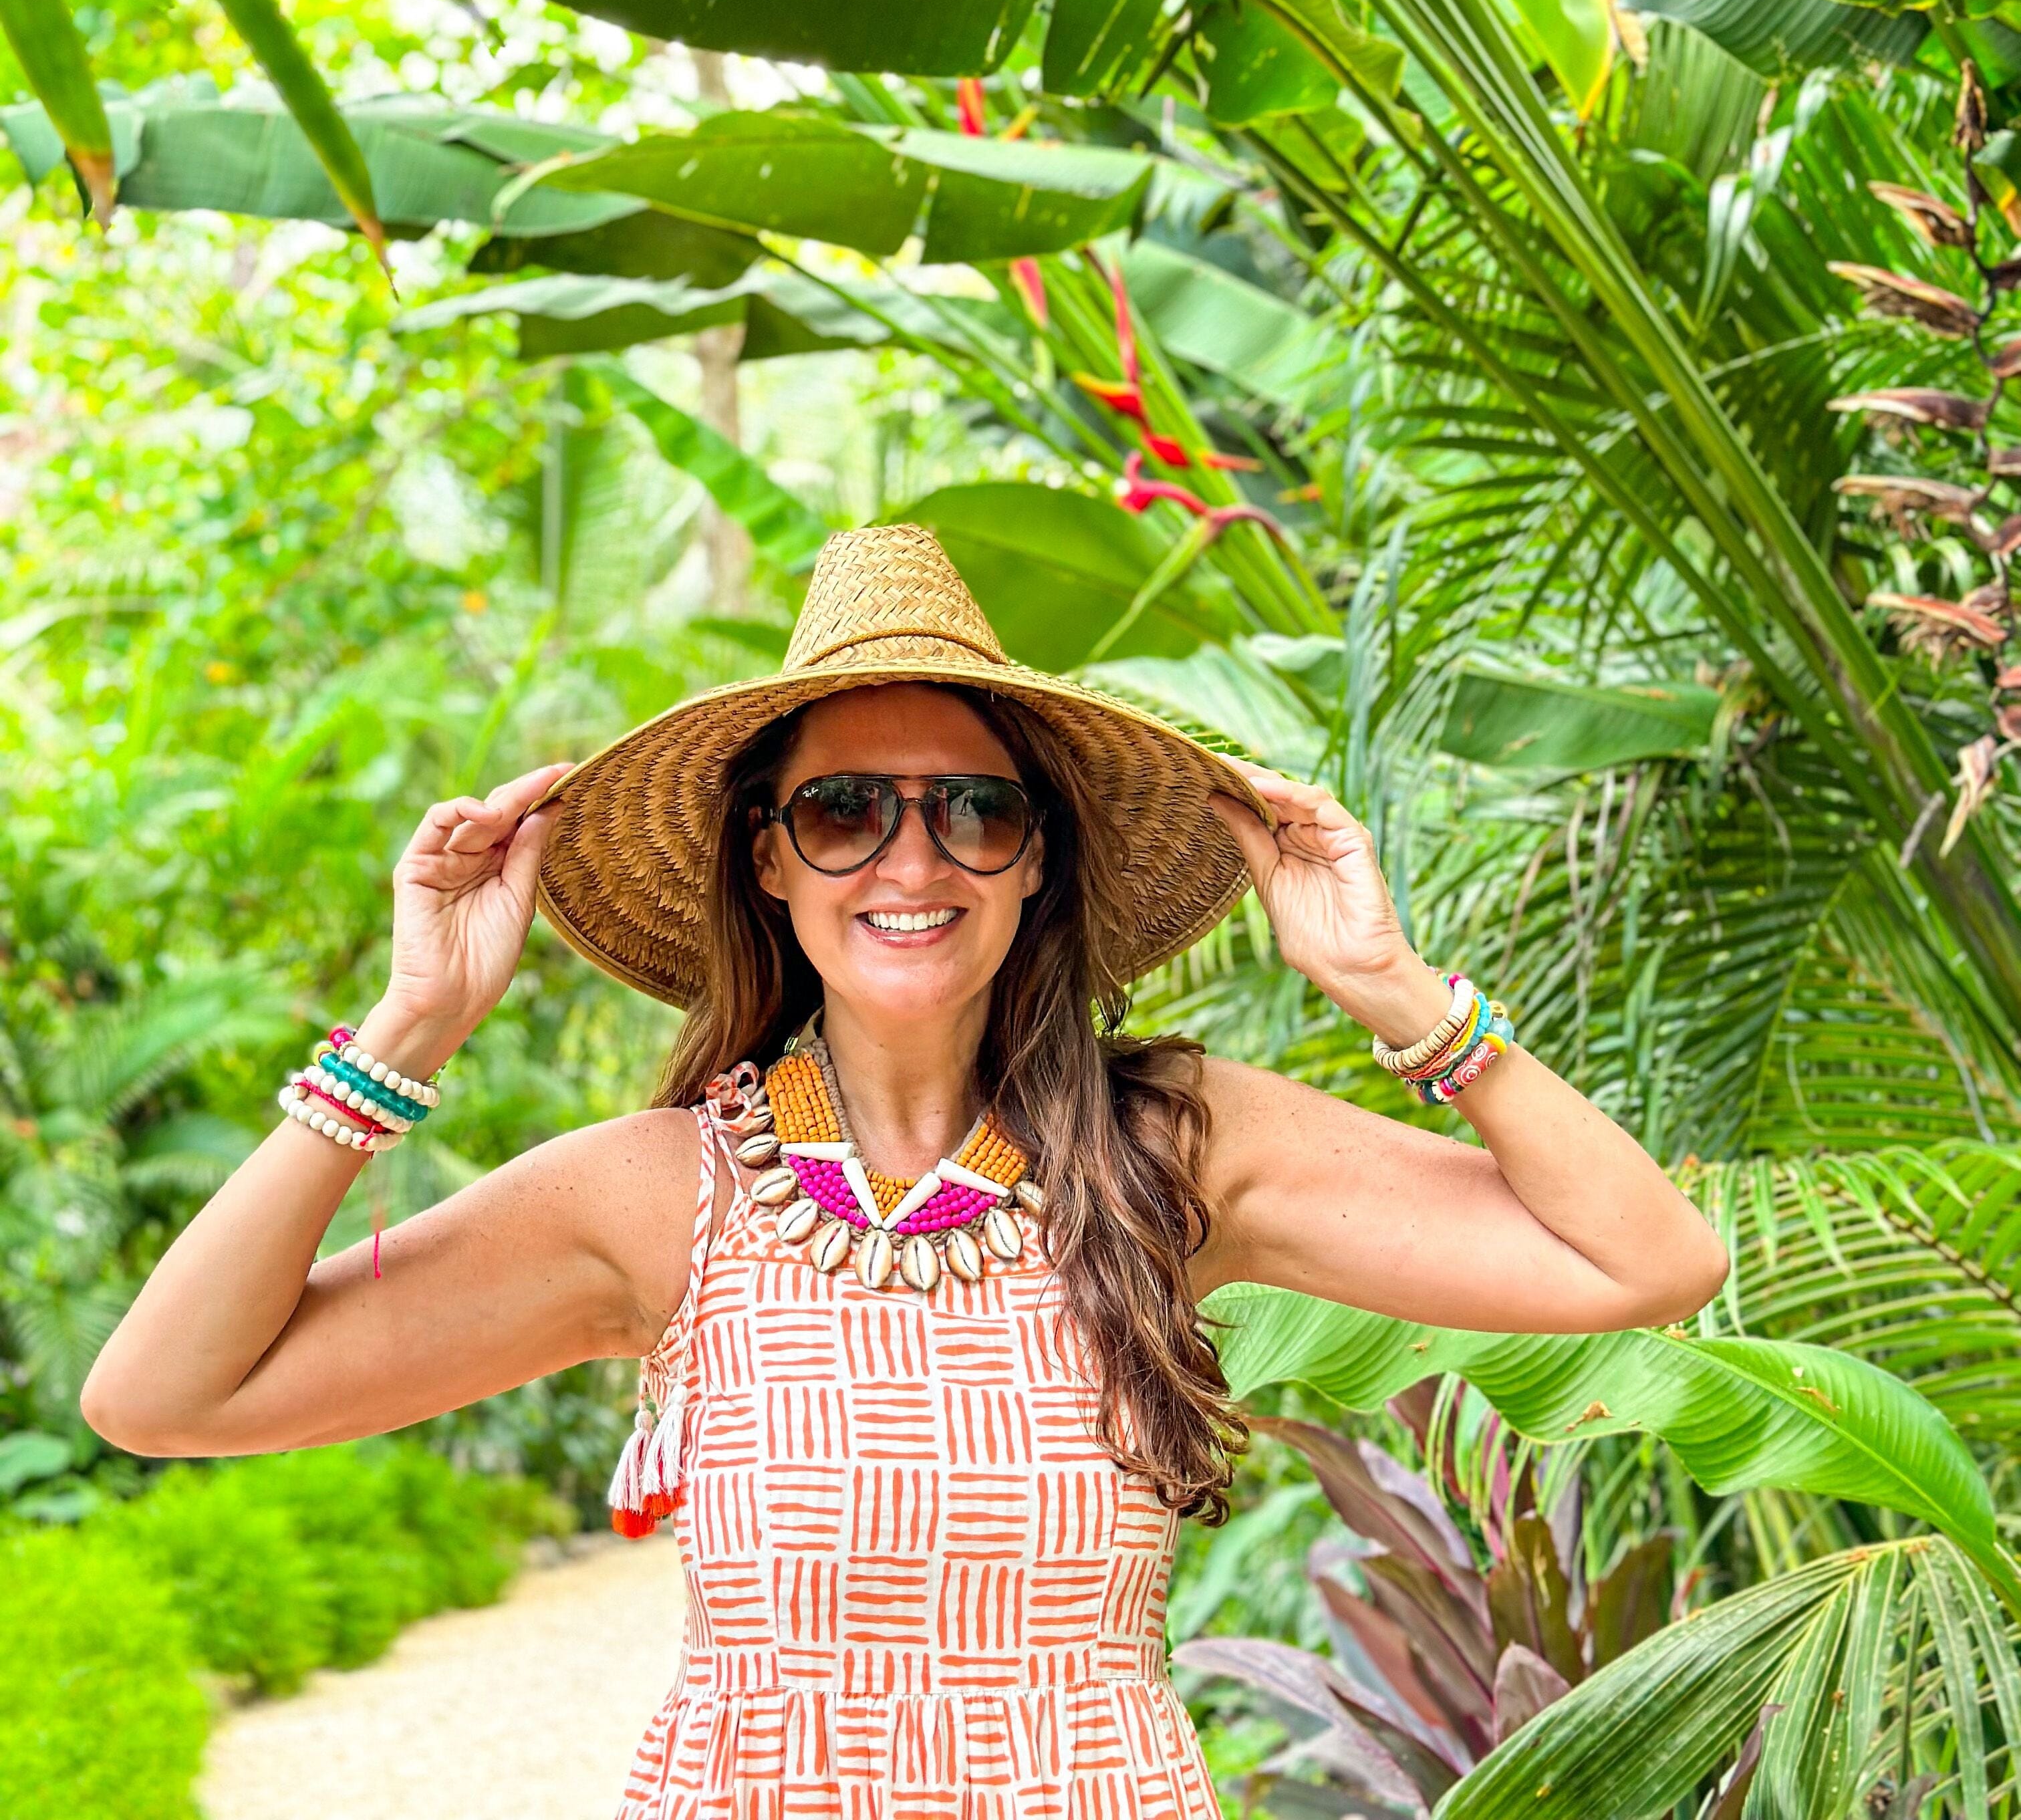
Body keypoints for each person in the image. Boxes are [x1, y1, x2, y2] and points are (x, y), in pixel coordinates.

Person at [84, 524, 1727, 1818]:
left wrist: (1398, 996)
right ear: (769, 857)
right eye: (846, 809)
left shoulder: (1174, 1152)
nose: (912, 859)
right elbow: (164, 1397)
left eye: (974, 812)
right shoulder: (659, 1198)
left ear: (1038, 860)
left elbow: (1642, 1263)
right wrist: (411, 1027)